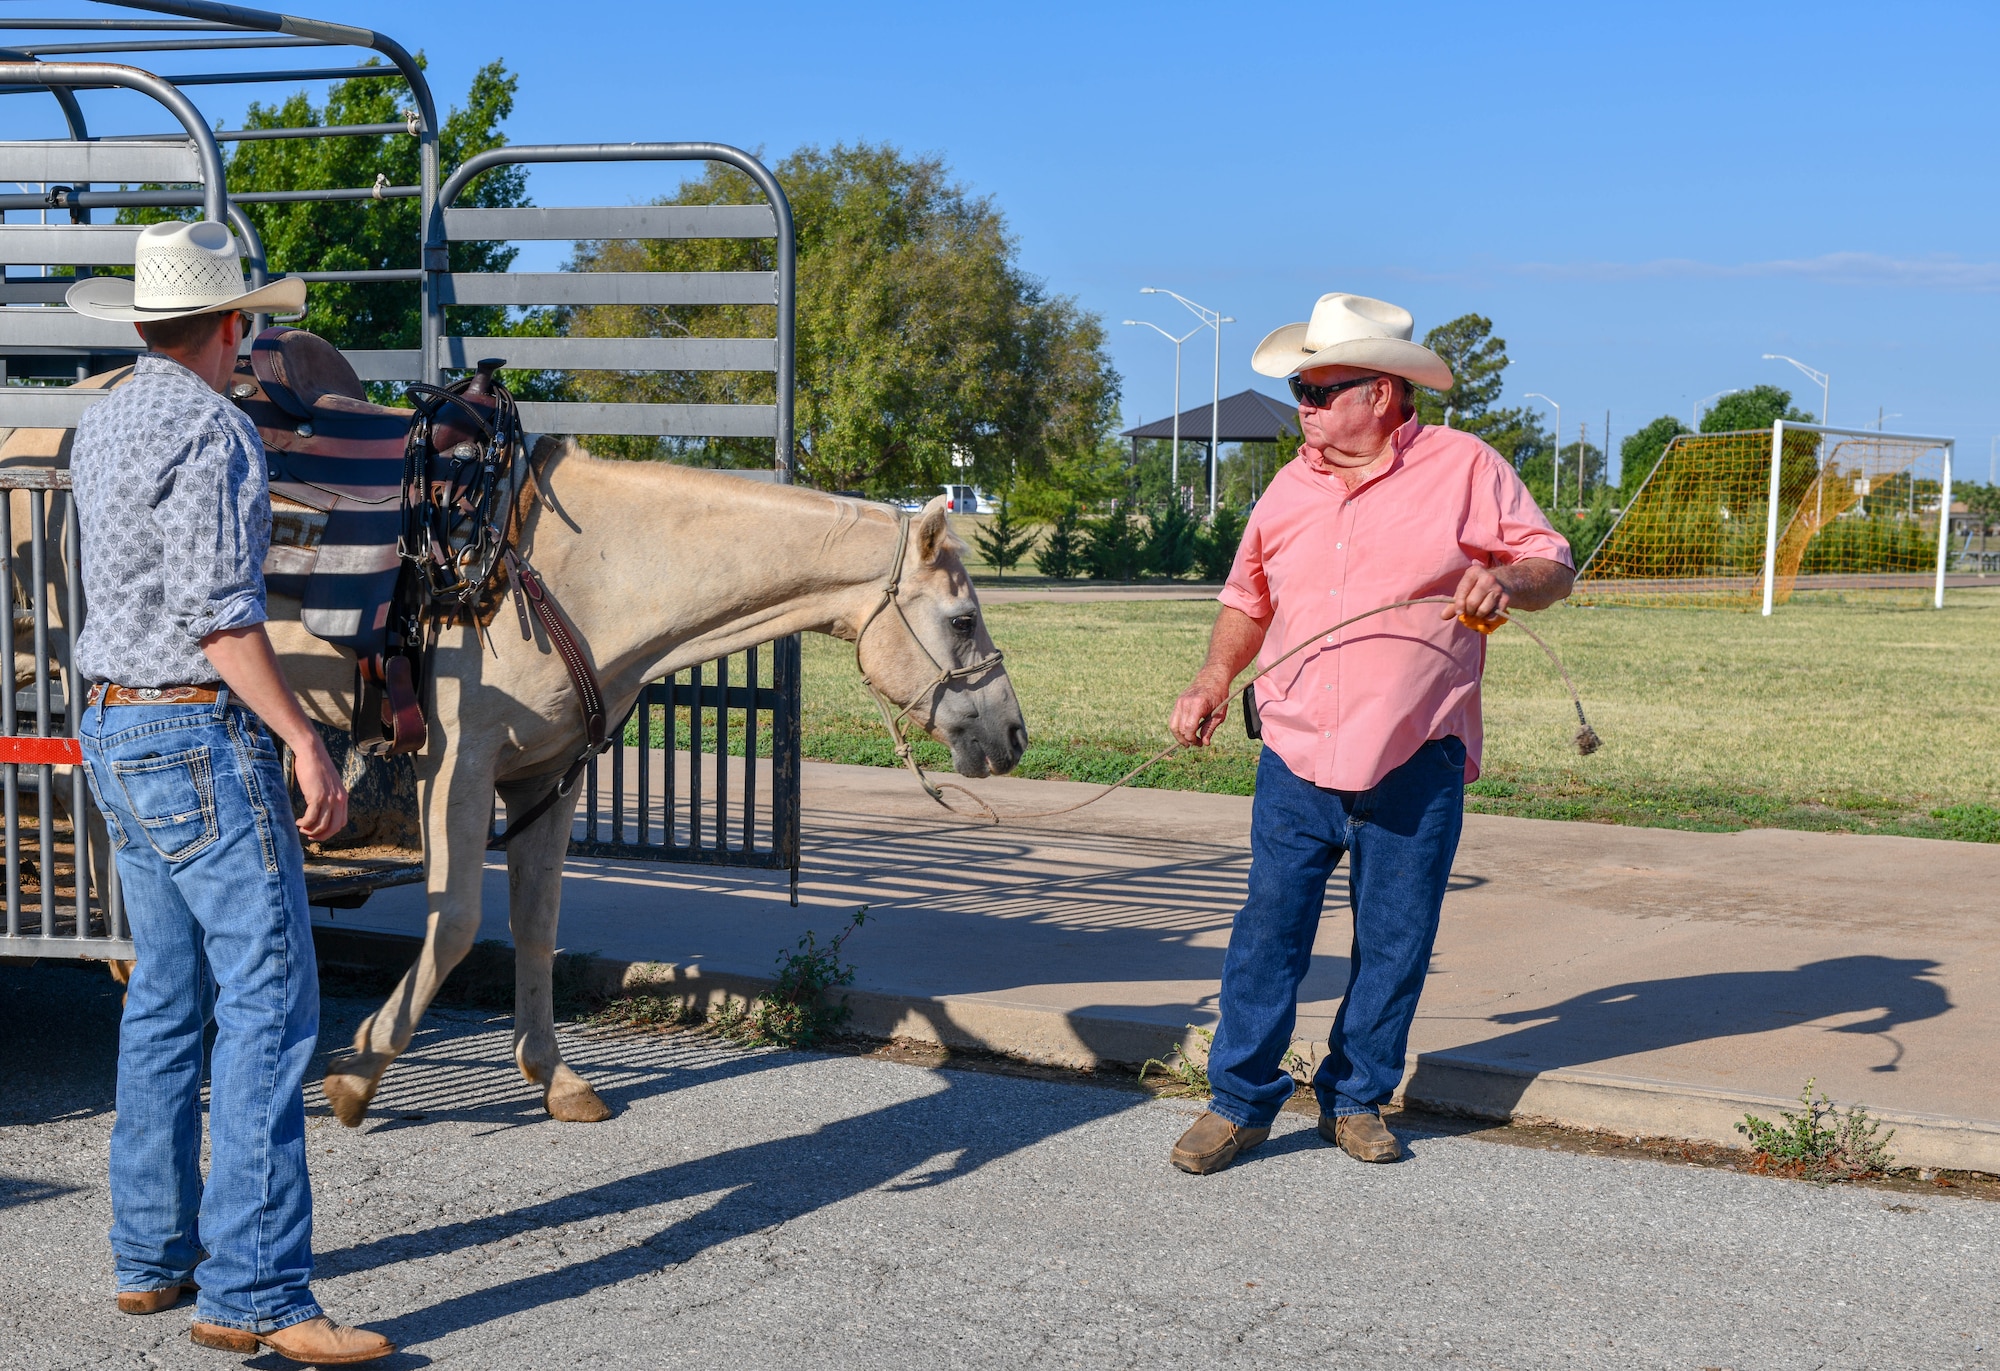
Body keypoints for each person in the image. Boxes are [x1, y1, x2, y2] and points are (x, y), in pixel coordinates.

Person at [67, 220, 393, 1362]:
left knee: (165, 994)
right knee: (270, 1003)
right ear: (230, 326)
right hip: (197, 732)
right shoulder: (214, 430)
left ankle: (151, 1258)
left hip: (113, 722)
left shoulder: (99, 425)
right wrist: (303, 739)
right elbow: (219, 613)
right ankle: (253, 1292)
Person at [1166, 292, 1575, 1175]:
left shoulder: (1468, 468)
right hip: (1296, 751)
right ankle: (1238, 1102)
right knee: (1268, 933)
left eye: (1320, 390)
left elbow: (1552, 562)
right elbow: (1248, 598)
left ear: (1381, 393)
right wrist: (1211, 677)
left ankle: (1355, 1099)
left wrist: (1508, 580)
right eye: (1301, 392)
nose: (1303, 408)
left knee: (1395, 938)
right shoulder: (1286, 489)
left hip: (1415, 758)